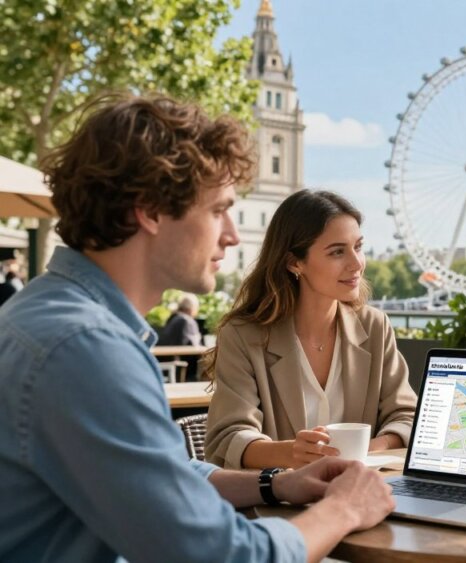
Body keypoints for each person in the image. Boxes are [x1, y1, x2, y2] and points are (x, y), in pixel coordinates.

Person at [0, 94, 395, 562]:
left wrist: (275, 483)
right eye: (217, 210)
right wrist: (344, 510)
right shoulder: (85, 349)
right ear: (149, 211)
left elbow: (165, 475)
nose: (231, 233)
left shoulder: (55, 318)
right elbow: (222, 556)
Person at [204, 189, 417, 470]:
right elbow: (228, 438)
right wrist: (293, 454)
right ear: (294, 263)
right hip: (277, 503)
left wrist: (370, 448)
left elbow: (408, 416)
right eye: (337, 252)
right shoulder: (243, 335)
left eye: (358, 247)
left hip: (360, 494)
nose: (356, 264)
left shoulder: (375, 327)